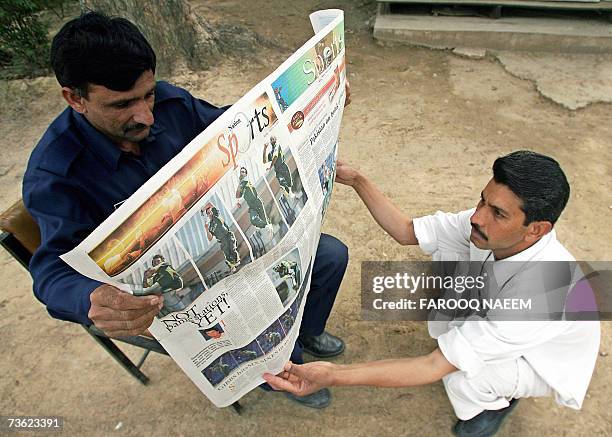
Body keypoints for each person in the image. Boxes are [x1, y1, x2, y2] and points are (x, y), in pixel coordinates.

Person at [23, 11, 349, 408]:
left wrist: (307, 100)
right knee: (247, 306)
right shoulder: (56, 174)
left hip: (235, 243)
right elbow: (51, 272)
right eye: (122, 105)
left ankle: (305, 330)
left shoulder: (173, 104)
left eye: (147, 95)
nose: (144, 115)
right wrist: (89, 297)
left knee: (330, 254)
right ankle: (281, 369)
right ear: (74, 98)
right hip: (176, 294)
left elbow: (231, 127)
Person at [265, 151, 601, 432]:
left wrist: (334, 376)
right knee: (437, 296)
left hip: (539, 358)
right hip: (503, 309)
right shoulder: (488, 226)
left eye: (497, 213)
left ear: (537, 229)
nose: (478, 217)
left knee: (463, 378)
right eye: (483, 200)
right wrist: (357, 180)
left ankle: (492, 406)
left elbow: (431, 366)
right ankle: (477, 350)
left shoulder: (544, 292)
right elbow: (407, 230)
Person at [202, 203, 240, 273]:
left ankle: (237, 263)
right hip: (222, 241)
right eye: (208, 213)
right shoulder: (210, 227)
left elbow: (210, 204)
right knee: (227, 255)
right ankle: (232, 267)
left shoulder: (216, 215)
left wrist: (203, 209)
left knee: (233, 250)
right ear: (207, 215)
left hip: (228, 235)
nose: (210, 213)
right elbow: (210, 238)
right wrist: (206, 229)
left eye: (210, 211)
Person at [235, 166, 273, 237]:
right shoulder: (241, 184)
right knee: (253, 220)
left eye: (243, 172)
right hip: (251, 206)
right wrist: (238, 202)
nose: (241, 173)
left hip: (257, 203)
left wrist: (238, 198)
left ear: (246, 174)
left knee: (265, 219)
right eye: (241, 172)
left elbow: (240, 189)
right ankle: (267, 226)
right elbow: (238, 194)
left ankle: (269, 227)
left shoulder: (246, 181)